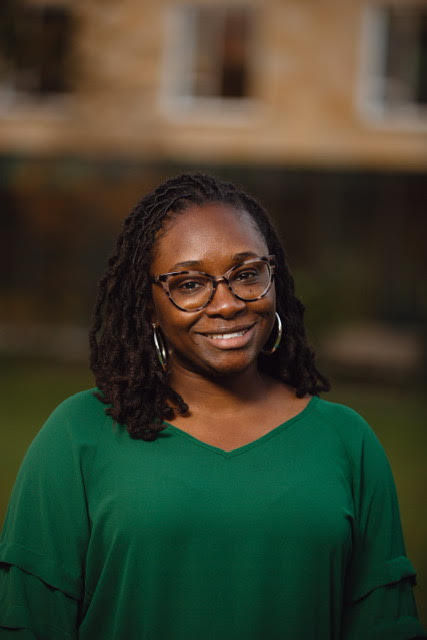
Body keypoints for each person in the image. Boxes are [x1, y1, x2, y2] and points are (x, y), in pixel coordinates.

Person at [0, 173, 425, 640]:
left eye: (246, 275)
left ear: (274, 277)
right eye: (189, 284)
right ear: (148, 305)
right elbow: (31, 623)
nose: (226, 304)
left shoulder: (347, 441)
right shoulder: (79, 434)